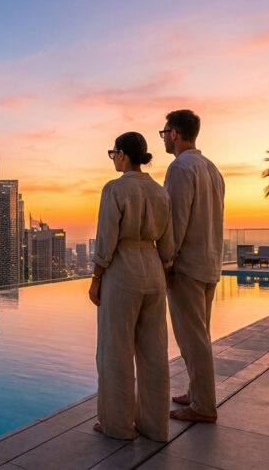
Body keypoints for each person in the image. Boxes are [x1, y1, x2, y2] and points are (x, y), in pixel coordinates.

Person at [89, 131, 174, 442]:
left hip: (122, 272)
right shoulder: (160, 191)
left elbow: (106, 239)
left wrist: (97, 277)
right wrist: (164, 267)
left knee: (116, 350)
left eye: (114, 154)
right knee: (154, 353)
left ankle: (118, 425)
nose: (114, 159)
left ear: (122, 154)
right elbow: (168, 243)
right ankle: (155, 425)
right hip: (153, 271)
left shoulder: (114, 189)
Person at [160, 109, 225, 424]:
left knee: (192, 338)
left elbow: (175, 222)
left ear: (173, 133)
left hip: (188, 267)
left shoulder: (179, 168)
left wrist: (167, 262)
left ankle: (203, 406)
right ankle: (195, 391)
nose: (163, 138)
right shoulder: (211, 168)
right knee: (200, 334)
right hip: (210, 262)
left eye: (164, 132)